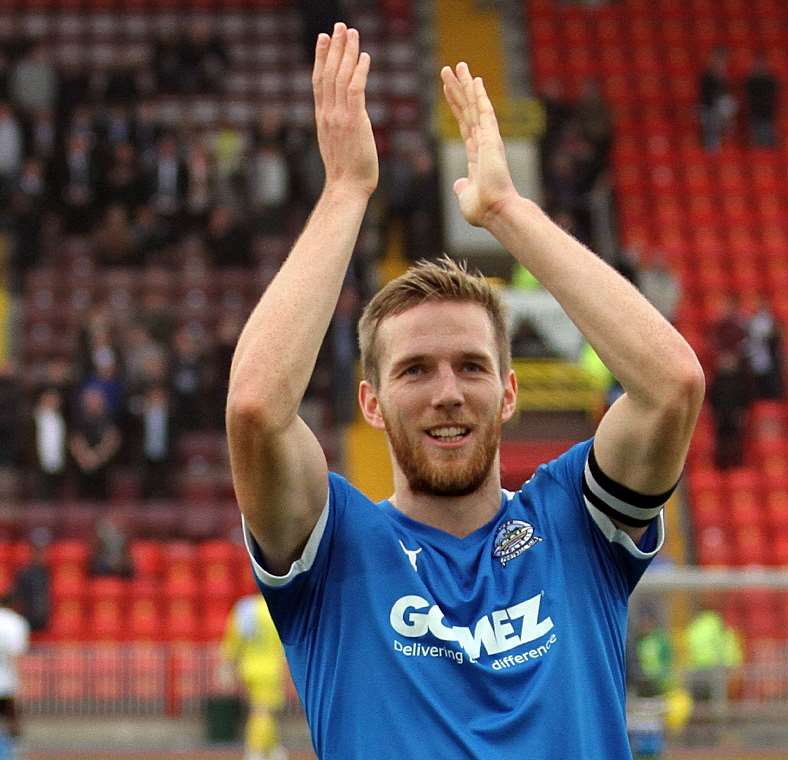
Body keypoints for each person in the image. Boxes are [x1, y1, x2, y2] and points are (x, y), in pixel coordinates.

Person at [226, 23, 704, 759]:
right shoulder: (336, 551)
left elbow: (670, 386)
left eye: (471, 367)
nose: (447, 391)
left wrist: (509, 213)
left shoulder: (576, 524)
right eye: (414, 370)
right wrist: (347, 189)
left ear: (508, 393)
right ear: (371, 403)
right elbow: (256, 408)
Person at [220, 594, 288, 760]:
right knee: (263, 712)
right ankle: (255, 751)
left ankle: (273, 749)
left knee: (264, 711)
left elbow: (234, 639)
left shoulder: (246, 609)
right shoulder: (277, 608)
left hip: (248, 667)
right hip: (270, 669)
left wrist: (228, 665)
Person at [0, 592, 29, 755]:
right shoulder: (15, 622)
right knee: (12, 717)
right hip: (5, 682)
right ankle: (14, 750)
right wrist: (20, 680)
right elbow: (14, 654)